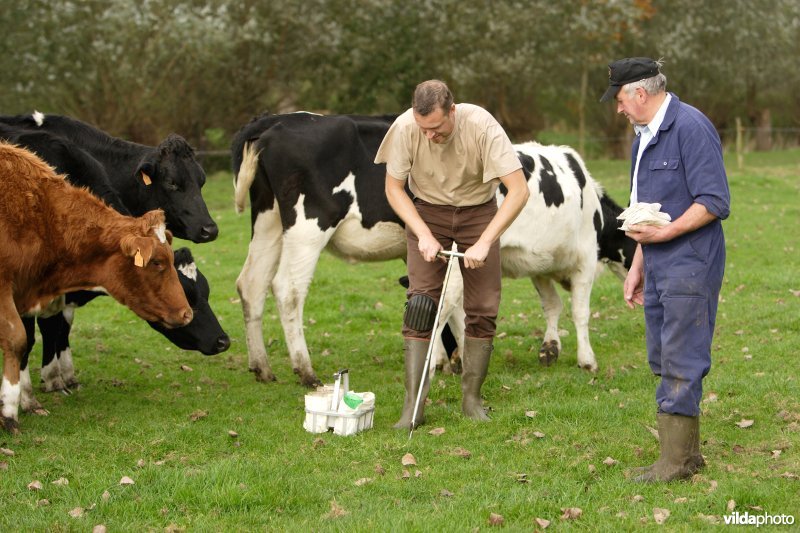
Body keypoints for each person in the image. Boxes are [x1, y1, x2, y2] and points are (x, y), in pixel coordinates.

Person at [600, 58, 730, 482]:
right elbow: (643, 212)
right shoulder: (642, 138)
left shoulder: (691, 128)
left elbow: (714, 200)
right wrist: (638, 263)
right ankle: (686, 455)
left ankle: (675, 463)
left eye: (619, 99)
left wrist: (670, 232)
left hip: (690, 260)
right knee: (661, 353)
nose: (618, 109)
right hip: (656, 261)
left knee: (681, 355)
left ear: (640, 93)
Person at [376, 80, 529, 429]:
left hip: (478, 212)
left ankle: (472, 401)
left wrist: (485, 242)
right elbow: (393, 188)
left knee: (483, 309)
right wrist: (424, 235)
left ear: (453, 112)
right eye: (423, 128)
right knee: (419, 306)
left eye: (437, 128)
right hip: (427, 211)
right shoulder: (405, 128)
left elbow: (519, 190)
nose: (429, 136)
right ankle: (412, 408)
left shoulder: (482, 126)